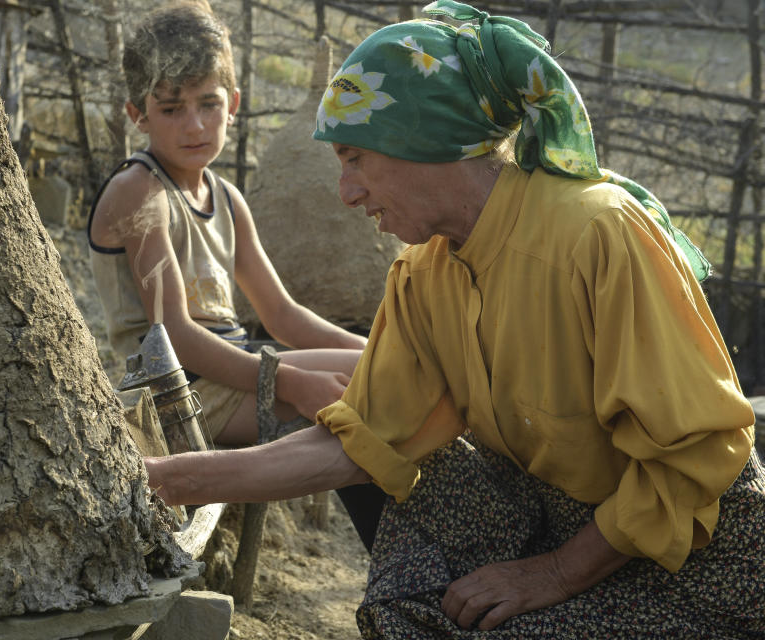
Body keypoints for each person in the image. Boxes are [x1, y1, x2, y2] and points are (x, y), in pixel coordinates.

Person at [144, 1, 765, 637]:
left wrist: (549, 575)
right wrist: (167, 479)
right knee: (412, 563)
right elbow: (358, 437)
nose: (347, 193)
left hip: (694, 549)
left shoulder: (597, 233)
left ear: (423, 138)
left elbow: (695, 457)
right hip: (569, 519)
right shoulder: (424, 275)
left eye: (356, 158)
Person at [88, 2, 386, 549]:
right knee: (370, 401)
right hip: (172, 391)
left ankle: (404, 568)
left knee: (383, 374)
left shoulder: (226, 198)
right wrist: (290, 382)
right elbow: (172, 335)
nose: (195, 124)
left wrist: (384, 347)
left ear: (234, 106)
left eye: (208, 103)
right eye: (172, 108)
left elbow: (283, 315)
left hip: (232, 372)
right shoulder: (141, 192)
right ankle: (398, 573)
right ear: (138, 114)